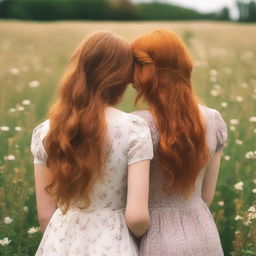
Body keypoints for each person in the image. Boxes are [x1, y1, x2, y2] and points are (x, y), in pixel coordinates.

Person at [30, 32, 153, 256]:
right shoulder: (134, 130)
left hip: (59, 241)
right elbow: (137, 217)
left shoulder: (46, 132)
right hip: (114, 243)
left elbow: (45, 215)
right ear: (123, 77)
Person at [132, 29, 228, 256]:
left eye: (134, 64)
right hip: (205, 236)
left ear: (148, 71)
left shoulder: (137, 125)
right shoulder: (213, 120)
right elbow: (206, 196)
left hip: (154, 239)